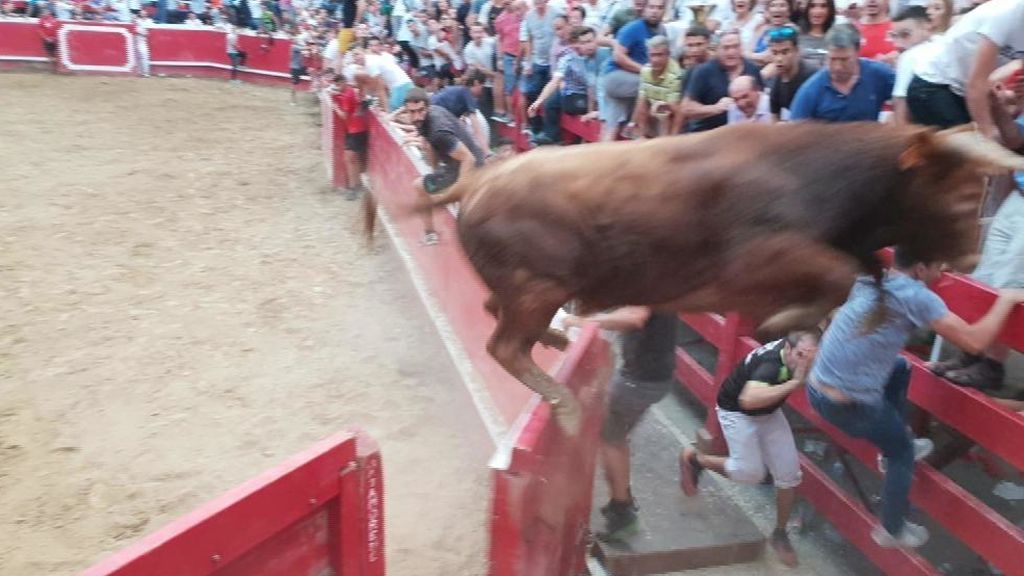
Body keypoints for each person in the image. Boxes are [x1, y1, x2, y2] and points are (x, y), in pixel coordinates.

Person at [807, 246, 1024, 548]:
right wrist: (1008, 299)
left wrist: (936, 273)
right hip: (848, 405)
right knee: (902, 455)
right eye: (940, 265)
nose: (944, 270)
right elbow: (975, 342)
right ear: (921, 269)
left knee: (901, 366)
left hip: (816, 386)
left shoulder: (873, 278)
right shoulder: (915, 296)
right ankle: (891, 529)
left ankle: (897, 438)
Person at [680, 330, 821, 567]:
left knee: (789, 475)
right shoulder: (771, 365)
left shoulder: (798, 355)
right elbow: (748, 400)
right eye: (800, 355)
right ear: (788, 348)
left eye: (810, 357)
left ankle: (779, 533)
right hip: (737, 411)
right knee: (749, 472)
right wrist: (795, 382)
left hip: (768, 411)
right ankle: (696, 460)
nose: (804, 362)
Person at [561, 307, 679, 542]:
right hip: (655, 377)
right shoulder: (662, 280)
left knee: (609, 439)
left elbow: (634, 317)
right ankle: (622, 499)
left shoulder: (649, 279)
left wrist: (583, 320)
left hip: (639, 381)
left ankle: (622, 511)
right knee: (616, 433)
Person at [906, 0, 1024, 135]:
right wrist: (988, 130)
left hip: (965, 90)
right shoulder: (1006, 14)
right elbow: (976, 83)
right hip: (935, 84)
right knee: (972, 147)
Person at [401, 88, 488, 246]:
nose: (416, 116)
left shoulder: (438, 131)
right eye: (412, 112)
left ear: (426, 107)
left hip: (468, 166)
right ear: (406, 112)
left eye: (420, 111)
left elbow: (468, 158)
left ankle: (430, 235)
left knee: (419, 187)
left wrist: (460, 191)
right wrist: (436, 173)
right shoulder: (429, 115)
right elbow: (432, 147)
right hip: (458, 165)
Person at [789, 24, 895, 122]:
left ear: (857, 53)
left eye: (844, 60)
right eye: (833, 59)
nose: (838, 67)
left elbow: (906, 95)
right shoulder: (810, 90)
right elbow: (795, 131)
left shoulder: (878, 74)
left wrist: (895, 118)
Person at [889, 6, 935, 124]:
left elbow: (900, 103)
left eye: (905, 34)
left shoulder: (909, 57)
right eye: (894, 36)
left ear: (927, 27)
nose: (898, 43)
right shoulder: (945, 43)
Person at [431, 70, 491, 151]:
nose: (482, 90)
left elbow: (460, 122)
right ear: (476, 83)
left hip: (435, 113)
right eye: (482, 86)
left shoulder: (462, 92)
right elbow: (476, 126)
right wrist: (486, 151)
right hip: (434, 112)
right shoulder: (466, 93)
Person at [768, 25, 817, 121]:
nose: (779, 59)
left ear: (797, 51)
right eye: (775, 53)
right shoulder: (776, 81)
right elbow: (774, 118)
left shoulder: (812, 77)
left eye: (785, 52)